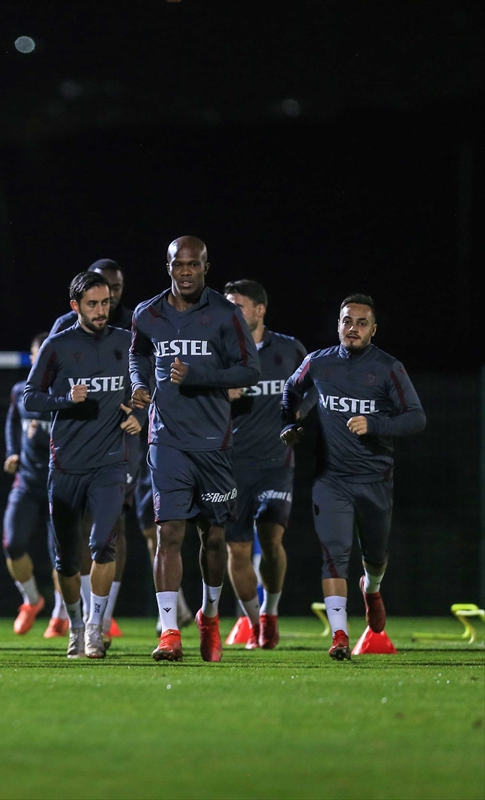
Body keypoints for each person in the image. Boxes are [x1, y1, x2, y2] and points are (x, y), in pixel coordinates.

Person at [129, 237, 260, 662]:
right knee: (168, 532)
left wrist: (198, 375)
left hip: (212, 442)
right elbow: (138, 355)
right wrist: (140, 384)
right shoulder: (147, 313)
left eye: (193, 265)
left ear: (206, 267)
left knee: (214, 537)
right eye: (178, 264)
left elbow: (250, 370)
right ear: (167, 267)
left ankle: (210, 617)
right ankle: (169, 631)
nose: (185, 272)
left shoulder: (225, 314)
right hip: (166, 440)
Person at [282, 294, 424, 660]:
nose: (353, 328)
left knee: (375, 555)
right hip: (331, 478)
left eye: (362, 323)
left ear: (374, 330)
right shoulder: (319, 361)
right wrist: (288, 423)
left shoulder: (389, 368)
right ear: (338, 325)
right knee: (334, 554)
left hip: (375, 479)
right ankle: (340, 636)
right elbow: (291, 389)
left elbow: (416, 417)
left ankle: (371, 589)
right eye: (347, 321)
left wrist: (374, 424)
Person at [25, 272, 140, 658]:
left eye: (105, 302)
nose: (101, 310)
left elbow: (150, 384)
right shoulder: (58, 345)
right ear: (75, 306)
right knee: (67, 560)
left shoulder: (126, 341)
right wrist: (65, 399)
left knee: (103, 545)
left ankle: (95, 626)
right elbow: (30, 397)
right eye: (93, 304)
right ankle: (75, 624)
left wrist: (140, 413)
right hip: (66, 466)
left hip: (110, 464)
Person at [223, 279, 308, 650]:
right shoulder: (220, 353)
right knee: (237, 550)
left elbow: (314, 385)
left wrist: (300, 412)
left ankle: (270, 613)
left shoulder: (289, 349)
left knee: (272, 538)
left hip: (277, 463)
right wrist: (219, 392)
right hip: (231, 466)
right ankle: (254, 620)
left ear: (259, 310)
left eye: (237, 306)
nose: (231, 314)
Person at [2, 332, 66, 636]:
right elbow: (13, 421)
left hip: (59, 483)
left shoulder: (65, 393)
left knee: (62, 555)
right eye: (36, 357)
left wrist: (41, 437)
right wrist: (12, 451)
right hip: (27, 481)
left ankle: (60, 613)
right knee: (12, 543)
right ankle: (31, 600)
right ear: (31, 359)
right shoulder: (20, 391)